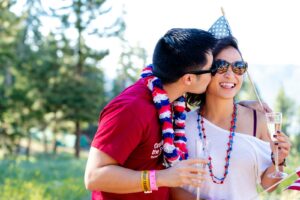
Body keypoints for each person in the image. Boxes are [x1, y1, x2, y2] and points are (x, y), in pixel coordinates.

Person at [84, 28, 218, 200]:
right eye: (211, 68)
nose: (214, 74)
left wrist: (247, 108)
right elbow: (94, 176)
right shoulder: (130, 109)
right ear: (189, 79)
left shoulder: (174, 102)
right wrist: (161, 178)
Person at [176, 36, 291, 200]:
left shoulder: (260, 122)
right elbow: (172, 187)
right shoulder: (183, 125)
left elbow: (269, 185)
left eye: (238, 67)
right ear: (205, 72)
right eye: (221, 66)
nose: (230, 74)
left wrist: (279, 159)